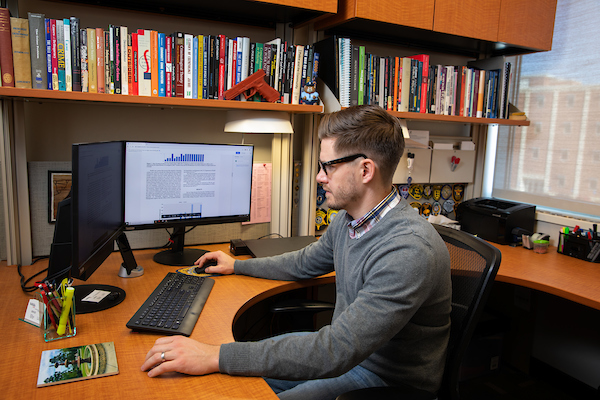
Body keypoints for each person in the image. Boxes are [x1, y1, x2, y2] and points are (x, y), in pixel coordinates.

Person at [141, 104, 452, 400]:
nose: (319, 176)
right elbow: (307, 262)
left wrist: (214, 355)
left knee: (229, 366)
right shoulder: (351, 220)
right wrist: (237, 266)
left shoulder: (408, 250)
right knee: (224, 376)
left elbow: (335, 350)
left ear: (365, 170)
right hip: (344, 354)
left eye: (328, 166)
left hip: (382, 378)